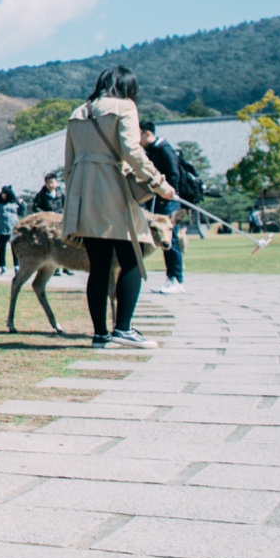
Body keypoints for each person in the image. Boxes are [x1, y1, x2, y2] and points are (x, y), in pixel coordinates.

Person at [62, 67, 175, 350]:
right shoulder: (125, 107)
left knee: (99, 266)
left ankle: (100, 334)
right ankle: (123, 328)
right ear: (128, 87)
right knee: (132, 258)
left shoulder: (78, 112)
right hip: (112, 190)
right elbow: (131, 150)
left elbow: (68, 162)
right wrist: (159, 182)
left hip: (82, 190)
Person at [140, 121, 187, 293]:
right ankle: (171, 278)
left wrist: (166, 191)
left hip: (169, 201)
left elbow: (174, 173)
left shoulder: (164, 148)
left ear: (146, 134)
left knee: (170, 238)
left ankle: (176, 279)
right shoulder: (151, 151)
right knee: (162, 239)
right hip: (158, 201)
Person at [0, 186, 21, 273]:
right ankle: (3, 266)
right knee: (2, 248)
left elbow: (21, 211)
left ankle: (16, 266)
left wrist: (23, 204)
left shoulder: (14, 201)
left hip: (13, 228)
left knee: (15, 248)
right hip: (1, 228)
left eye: (5, 194)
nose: (3, 195)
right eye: (2, 193)